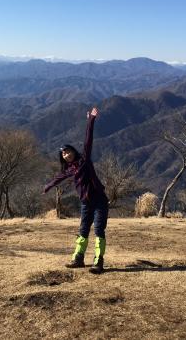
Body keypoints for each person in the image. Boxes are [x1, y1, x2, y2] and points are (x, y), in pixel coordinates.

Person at [43, 107, 109, 274]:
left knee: (99, 229)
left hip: (99, 200)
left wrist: (90, 120)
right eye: (63, 154)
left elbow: (88, 140)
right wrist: (48, 186)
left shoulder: (84, 160)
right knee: (83, 230)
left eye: (68, 151)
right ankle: (78, 258)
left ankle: (98, 261)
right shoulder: (69, 170)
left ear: (74, 151)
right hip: (85, 203)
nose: (66, 155)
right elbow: (58, 178)